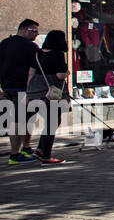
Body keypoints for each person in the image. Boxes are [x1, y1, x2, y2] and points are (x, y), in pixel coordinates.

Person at [2, 19, 41, 164]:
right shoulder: (31, 47)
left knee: (24, 120)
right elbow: (35, 70)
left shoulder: (4, 43)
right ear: (25, 30)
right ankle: (15, 154)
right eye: (34, 31)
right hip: (23, 89)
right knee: (20, 122)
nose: (37, 34)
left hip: (7, 87)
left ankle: (25, 148)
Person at [29, 30, 70, 164]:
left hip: (36, 91)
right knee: (52, 122)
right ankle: (46, 155)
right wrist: (67, 72)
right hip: (51, 93)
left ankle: (40, 149)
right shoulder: (57, 54)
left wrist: (28, 90)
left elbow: (31, 73)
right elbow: (60, 75)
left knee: (49, 122)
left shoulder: (37, 53)